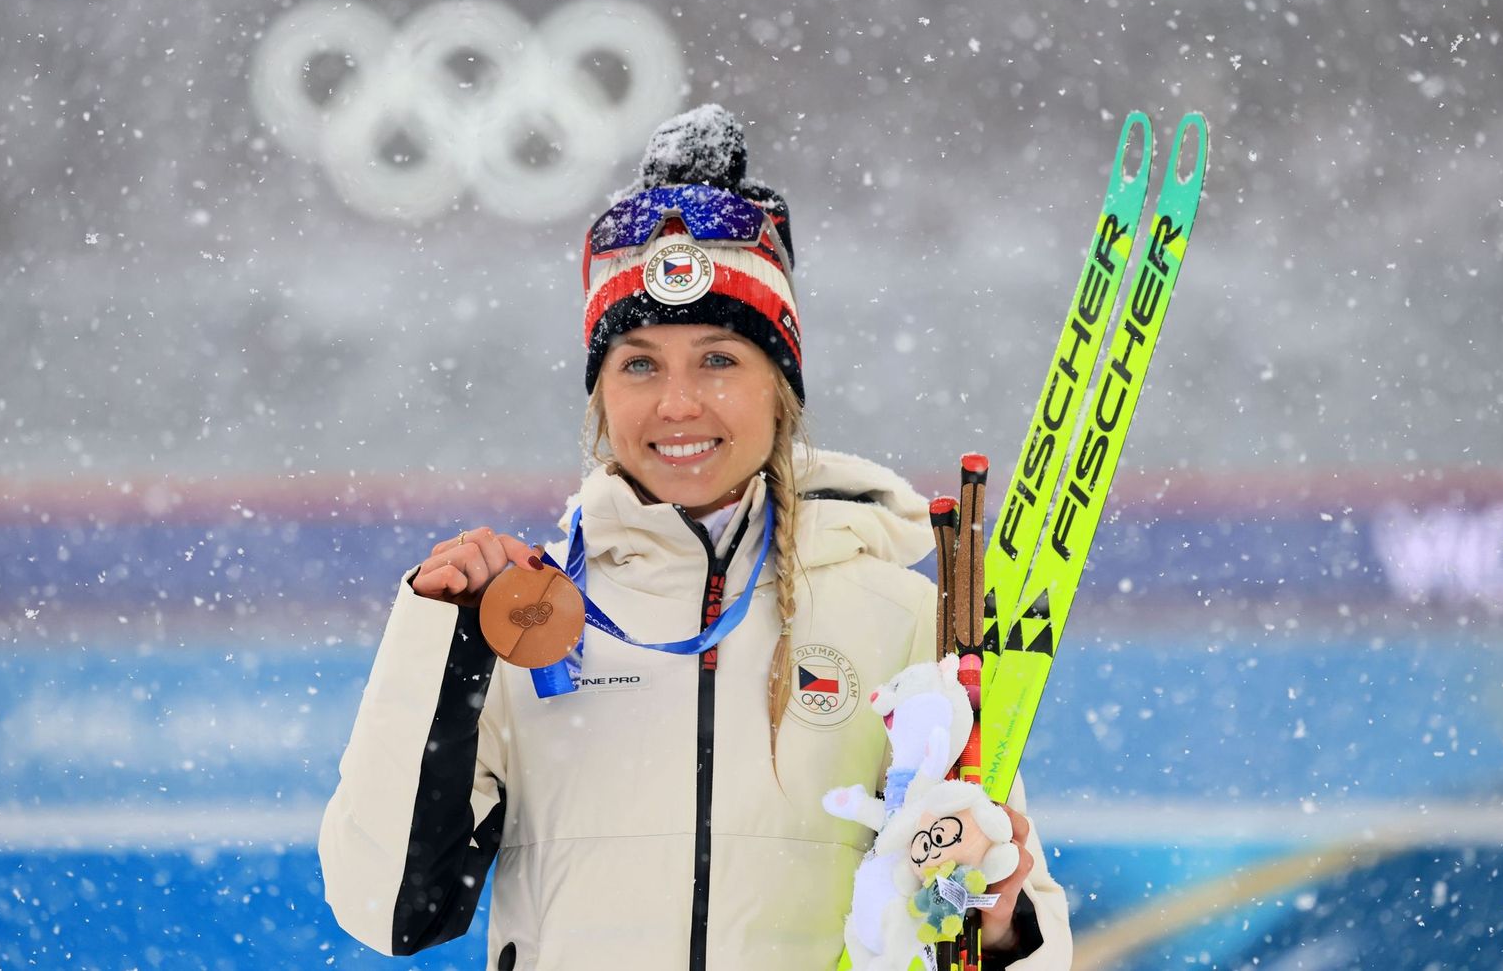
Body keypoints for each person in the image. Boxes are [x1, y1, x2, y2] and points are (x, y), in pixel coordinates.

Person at [318, 104, 1071, 970]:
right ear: (600, 396)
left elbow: (1011, 940)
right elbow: (389, 910)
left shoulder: (899, 615)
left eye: (719, 359)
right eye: (638, 363)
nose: (677, 403)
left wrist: (997, 919)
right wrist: (438, 644)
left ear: (778, 389)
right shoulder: (526, 623)